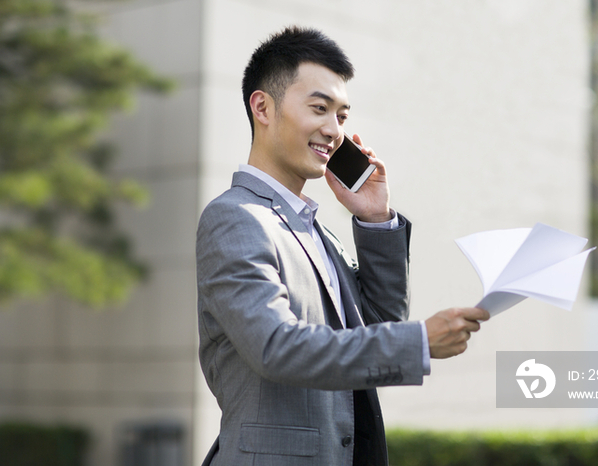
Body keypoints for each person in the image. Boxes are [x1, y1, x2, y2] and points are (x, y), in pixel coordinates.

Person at [196, 26, 490, 466]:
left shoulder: (316, 230)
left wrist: (375, 219)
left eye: (342, 116)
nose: (333, 130)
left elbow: (377, 327)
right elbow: (277, 347)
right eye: (319, 109)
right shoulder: (236, 219)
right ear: (263, 107)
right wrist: (419, 342)